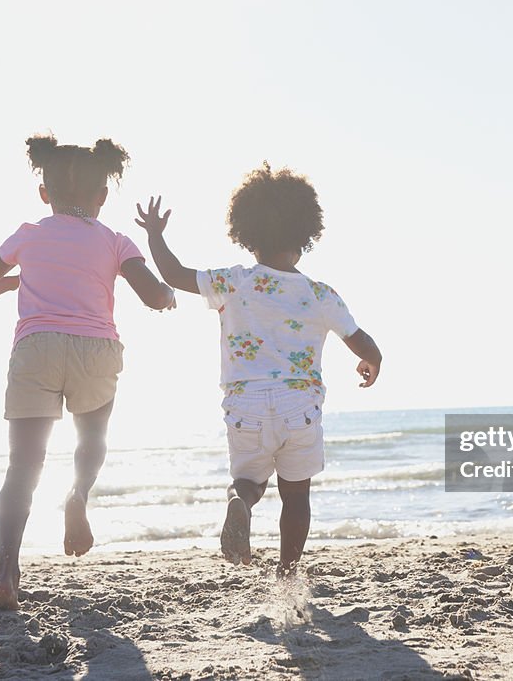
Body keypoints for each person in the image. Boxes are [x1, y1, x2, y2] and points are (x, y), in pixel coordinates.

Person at [135, 163, 382, 578]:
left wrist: (155, 236)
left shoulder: (233, 281)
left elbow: (174, 275)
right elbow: (361, 341)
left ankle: (241, 504)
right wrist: (371, 363)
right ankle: (287, 573)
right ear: (305, 236)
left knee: (248, 481)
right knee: (296, 494)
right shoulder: (320, 294)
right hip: (298, 406)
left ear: (247, 236)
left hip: (244, 404)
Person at [0, 134, 175, 609]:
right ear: (103, 196)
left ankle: (6, 573)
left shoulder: (29, 234)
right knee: (92, 436)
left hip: (36, 348)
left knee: (22, 466)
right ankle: (78, 492)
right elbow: (152, 295)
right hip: (95, 350)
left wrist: (19, 280)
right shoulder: (117, 241)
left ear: (44, 193)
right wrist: (169, 297)